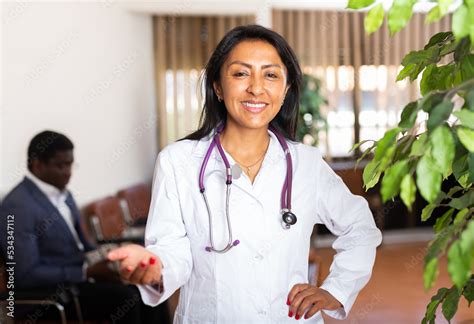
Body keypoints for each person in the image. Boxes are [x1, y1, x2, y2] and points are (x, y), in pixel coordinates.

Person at [108, 25, 382, 323]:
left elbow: (360, 228)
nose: (256, 87)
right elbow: (172, 250)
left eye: (271, 75)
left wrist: (336, 290)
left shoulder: (305, 163)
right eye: (240, 73)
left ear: (286, 89)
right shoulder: (178, 161)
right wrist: (155, 267)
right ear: (217, 87)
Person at [0, 130, 169, 323]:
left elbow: (83, 246)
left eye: (70, 164)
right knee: (127, 297)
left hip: (81, 276)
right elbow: (25, 273)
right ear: (37, 165)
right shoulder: (17, 206)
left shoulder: (64, 195)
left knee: (148, 286)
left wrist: (108, 260)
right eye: (60, 165)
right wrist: (86, 272)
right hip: (54, 293)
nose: (68, 172)